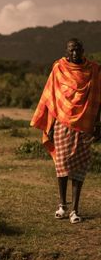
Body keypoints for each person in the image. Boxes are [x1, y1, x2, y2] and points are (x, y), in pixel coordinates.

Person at [30, 38, 101, 223]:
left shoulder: (94, 70)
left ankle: (75, 210)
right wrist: (50, 126)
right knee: (61, 165)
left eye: (78, 50)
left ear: (83, 50)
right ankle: (62, 205)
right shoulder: (58, 69)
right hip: (61, 124)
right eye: (71, 50)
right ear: (66, 51)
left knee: (80, 169)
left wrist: (98, 124)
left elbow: (98, 98)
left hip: (85, 125)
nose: (75, 53)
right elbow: (51, 99)